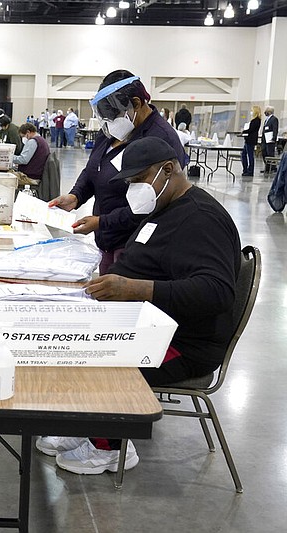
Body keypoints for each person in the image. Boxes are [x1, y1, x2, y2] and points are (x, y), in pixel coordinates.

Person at [40, 136, 241, 475]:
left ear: (169, 169)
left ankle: (111, 446)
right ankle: (88, 423)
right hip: (148, 322)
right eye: (130, 182)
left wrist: (137, 289)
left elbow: (217, 292)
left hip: (182, 343)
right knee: (67, 335)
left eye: (140, 179)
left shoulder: (201, 219)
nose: (135, 189)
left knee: (101, 354)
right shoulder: (163, 208)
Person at [48, 70, 186, 274]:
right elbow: (93, 168)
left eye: (114, 115)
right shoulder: (112, 131)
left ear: (137, 104)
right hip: (107, 239)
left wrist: (102, 222)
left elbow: (152, 204)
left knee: (121, 300)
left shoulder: (160, 140)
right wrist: (76, 196)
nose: (110, 122)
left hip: (136, 245)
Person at [241, 105, 262, 176]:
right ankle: (245, 169)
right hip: (248, 139)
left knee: (250, 155)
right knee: (243, 154)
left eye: (252, 110)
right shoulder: (254, 120)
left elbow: (251, 130)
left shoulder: (256, 120)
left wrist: (244, 131)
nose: (251, 112)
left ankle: (250, 171)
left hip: (251, 140)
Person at [261, 106, 279, 173]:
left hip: (270, 140)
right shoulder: (266, 120)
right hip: (265, 139)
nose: (265, 112)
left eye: (266, 111)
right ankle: (267, 167)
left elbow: (275, 129)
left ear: (269, 111)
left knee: (270, 154)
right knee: (264, 153)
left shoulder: (274, 119)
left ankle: (271, 168)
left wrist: (273, 138)